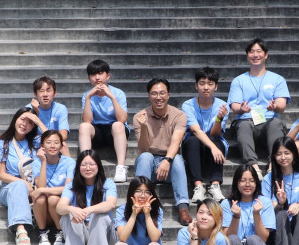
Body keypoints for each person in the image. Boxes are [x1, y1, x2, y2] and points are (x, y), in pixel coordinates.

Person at [227, 38, 290, 181]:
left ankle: (273, 165)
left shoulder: (277, 79)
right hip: (246, 121)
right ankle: (254, 167)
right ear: (247, 55)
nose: (255, 55)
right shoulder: (239, 80)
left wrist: (275, 107)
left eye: (259, 51)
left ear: (266, 55)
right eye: (251, 52)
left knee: (275, 123)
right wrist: (242, 109)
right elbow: (234, 105)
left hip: (269, 121)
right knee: (243, 125)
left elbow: (282, 105)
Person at [133, 77, 192, 225]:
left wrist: (167, 160)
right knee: (145, 157)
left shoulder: (179, 115)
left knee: (177, 159)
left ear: (168, 95)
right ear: (149, 96)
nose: (158, 97)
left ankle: (183, 207)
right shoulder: (139, 116)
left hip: (170, 164)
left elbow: (176, 142)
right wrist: (144, 127)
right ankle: (140, 204)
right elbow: (143, 149)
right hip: (150, 165)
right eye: (154, 93)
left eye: (162, 93)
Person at [56, 150, 118, 245]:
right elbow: (60, 207)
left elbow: (111, 204)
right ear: (78, 167)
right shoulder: (71, 185)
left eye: (92, 164)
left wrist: (88, 210)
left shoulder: (108, 184)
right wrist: (72, 209)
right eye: (83, 165)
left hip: (104, 235)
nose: (88, 168)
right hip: (81, 232)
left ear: (98, 166)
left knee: (100, 214)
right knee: (69, 215)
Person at [221, 164, 276, 245]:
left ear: (256, 183)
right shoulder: (227, 204)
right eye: (243, 180)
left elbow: (263, 238)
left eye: (251, 180)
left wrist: (257, 215)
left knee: (253, 240)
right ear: (236, 182)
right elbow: (227, 237)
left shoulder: (265, 202)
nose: (247, 184)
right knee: (233, 240)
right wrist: (236, 216)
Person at [0, 107, 40, 245]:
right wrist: (24, 183)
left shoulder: (36, 143)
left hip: (36, 187)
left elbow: (55, 142)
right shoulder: (2, 144)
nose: (25, 124)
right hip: (10, 188)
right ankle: (21, 230)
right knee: (19, 186)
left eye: (30, 122)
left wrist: (39, 121)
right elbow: (1, 175)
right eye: (22, 119)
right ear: (15, 119)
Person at [181, 66, 229, 204]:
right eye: (202, 83)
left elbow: (215, 133)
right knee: (193, 140)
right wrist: (213, 147)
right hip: (194, 147)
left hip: (213, 146)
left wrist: (219, 118)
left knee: (217, 141)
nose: (206, 87)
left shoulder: (222, 105)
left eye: (210, 84)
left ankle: (215, 185)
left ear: (216, 87)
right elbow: (196, 130)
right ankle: (198, 186)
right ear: (196, 86)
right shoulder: (188, 105)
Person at [78, 59, 129, 183]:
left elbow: (122, 119)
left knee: (117, 125)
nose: (97, 77)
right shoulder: (87, 95)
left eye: (100, 73)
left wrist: (111, 97)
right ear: (89, 78)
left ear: (108, 76)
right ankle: (85, 163)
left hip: (115, 131)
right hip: (98, 131)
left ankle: (121, 167)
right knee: (84, 126)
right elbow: (87, 120)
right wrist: (89, 98)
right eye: (93, 74)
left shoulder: (118, 93)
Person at [31, 130, 76, 245]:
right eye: (48, 142)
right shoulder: (36, 163)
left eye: (56, 142)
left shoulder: (69, 162)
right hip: (43, 212)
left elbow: (68, 188)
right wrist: (43, 161)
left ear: (61, 146)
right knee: (40, 199)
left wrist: (43, 190)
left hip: (61, 209)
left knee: (53, 198)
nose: (52, 146)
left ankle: (60, 232)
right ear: (42, 146)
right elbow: (40, 186)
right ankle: (42, 233)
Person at [27, 76, 71, 158]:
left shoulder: (60, 108)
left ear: (54, 93)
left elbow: (63, 136)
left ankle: (70, 166)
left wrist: (38, 122)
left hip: (52, 145)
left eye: (48, 90)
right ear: (35, 94)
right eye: (41, 91)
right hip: (34, 145)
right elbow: (25, 134)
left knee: (63, 145)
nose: (45, 94)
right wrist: (35, 112)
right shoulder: (29, 108)